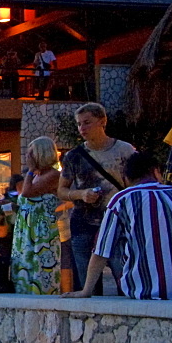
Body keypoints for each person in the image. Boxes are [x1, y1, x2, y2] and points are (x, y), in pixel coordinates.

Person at [64, 152, 172, 300]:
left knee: (123, 237)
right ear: (156, 172)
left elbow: (102, 250)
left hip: (146, 291)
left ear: (126, 179)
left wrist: (86, 290)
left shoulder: (123, 199)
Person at [57, 102, 135, 294]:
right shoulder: (74, 156)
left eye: (87, 123)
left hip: (117, 221)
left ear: (102, 122)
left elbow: (135, 186)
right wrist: (81, 194)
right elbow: (61, 190)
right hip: (84, 222)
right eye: (79, 124)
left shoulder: (125, 151)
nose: (82, 128)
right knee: (86, 284)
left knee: (124, 277)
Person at [11, 137, 62, 295]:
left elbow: (28, 192)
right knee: (24, 272)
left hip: (41, 232)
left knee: (39, 273)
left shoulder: (53, 175)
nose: (28, 157)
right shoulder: (36, 176)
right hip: (26, 231)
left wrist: (30, 170)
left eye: (31, 153)